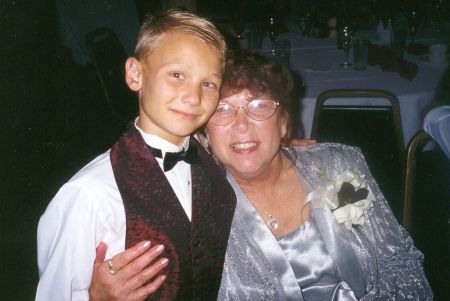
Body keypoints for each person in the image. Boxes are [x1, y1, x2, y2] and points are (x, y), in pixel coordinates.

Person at [90, 50, 432, 300]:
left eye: (258, 106)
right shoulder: (193, 204)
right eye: (222, 110)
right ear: (203, 133)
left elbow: (398, 260)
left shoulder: (338, 166)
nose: (241, 125)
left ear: (283, 122)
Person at [36, 9, 236, 301]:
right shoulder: (89, 195)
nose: (194, 97)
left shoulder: (211, 155)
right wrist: (95, 297)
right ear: (135, 74)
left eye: (208, 84)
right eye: (177, 75)